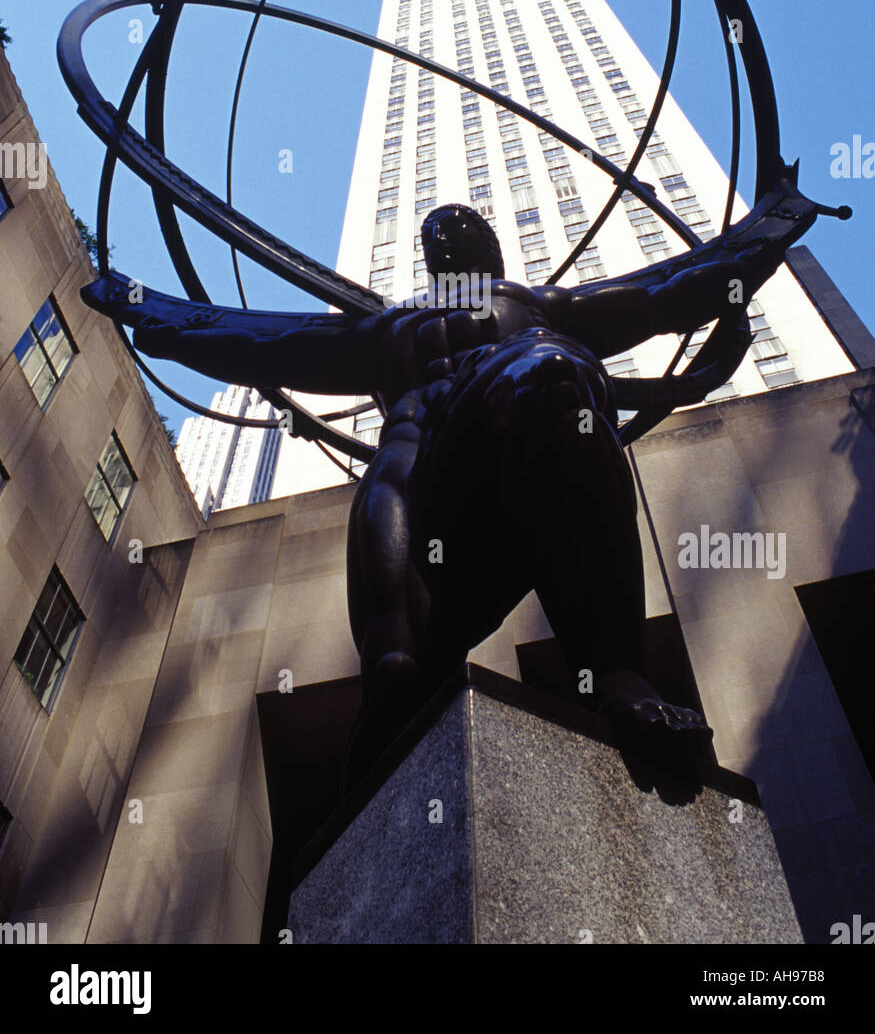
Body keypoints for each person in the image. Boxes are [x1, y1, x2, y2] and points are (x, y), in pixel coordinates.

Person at [83, 175, 820, 784]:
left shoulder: (540, 308)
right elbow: (255, 341)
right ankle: (372, 812)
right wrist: (146, 306)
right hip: (413, 472)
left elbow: (675, 288)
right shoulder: (379, 329)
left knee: (550, 372)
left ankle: (617, 678)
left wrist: (774, 221)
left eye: (460, 226)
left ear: (493, 249)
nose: (444, 233)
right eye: (434, 230)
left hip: (519, 422)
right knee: (400, 671)